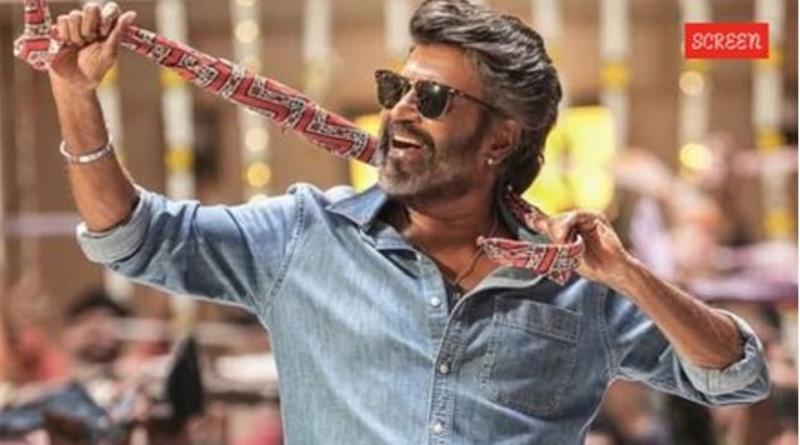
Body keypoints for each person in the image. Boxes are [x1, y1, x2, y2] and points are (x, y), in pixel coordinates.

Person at [46, 0, 768, 443]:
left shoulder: (577, 281)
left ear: (500, 138)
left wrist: (630, 276)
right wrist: (75, 94)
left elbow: (736, 375)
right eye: (396, 88)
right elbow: (131, 237)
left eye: (432, 99)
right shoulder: (305, 236)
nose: (398, 110)